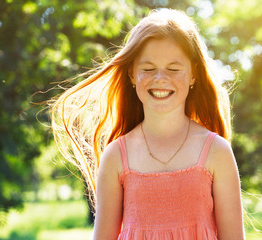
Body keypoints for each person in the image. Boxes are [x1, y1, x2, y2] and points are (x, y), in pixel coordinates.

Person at [50, 8, 245, 240]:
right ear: (132, 74)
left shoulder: (216, 151)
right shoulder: (116, 157)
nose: (160, 78)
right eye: (148, 69)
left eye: (173, 69)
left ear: (193, 74)